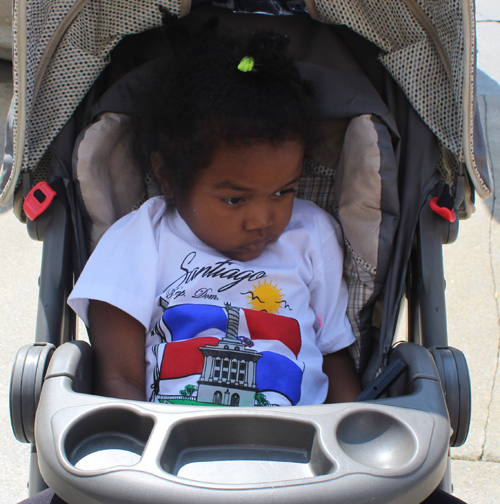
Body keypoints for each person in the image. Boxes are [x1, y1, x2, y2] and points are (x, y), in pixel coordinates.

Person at [19, 15, 469, 504]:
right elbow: (119, 377)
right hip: (169, 458)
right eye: (235, 199)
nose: (264, 218)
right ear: (169, 178)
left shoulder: (313, 232)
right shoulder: (142, 237)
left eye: (284, 191)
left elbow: (335, 352)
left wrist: (356, 441)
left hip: (312, 461)